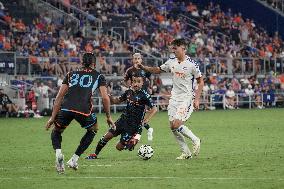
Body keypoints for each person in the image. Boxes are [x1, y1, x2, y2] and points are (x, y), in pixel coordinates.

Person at [45, 52, 114, 174]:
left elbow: (59, 96)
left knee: (56, 131)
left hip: (66, 108)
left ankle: (58, 153)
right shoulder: (99, 76)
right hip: (83, 109)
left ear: (82, 63)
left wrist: (52, 117)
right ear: (94, 63)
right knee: (93, 129)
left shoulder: (70, 74)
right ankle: (74, 159)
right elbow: (105, 98)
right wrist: (108, 116)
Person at [138, 38, 204, 160]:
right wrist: (144, 67)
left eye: (175, 48)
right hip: (174, 98)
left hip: (186, 98)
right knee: (173, 127)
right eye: (172, 48)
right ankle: (186, 152)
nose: (173, 50)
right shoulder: (171, 62)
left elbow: (201, 82)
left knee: (176, 124)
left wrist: (197, 99)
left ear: (183, 48)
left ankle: (196, 139)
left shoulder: (192, 64)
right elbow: (158, 70)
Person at [85, 73, 157, 159]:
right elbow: (116, 101)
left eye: (138, 82)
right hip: (122, 120)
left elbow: (154, 108)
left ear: (142, 83)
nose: (136, 84)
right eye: (134, 81)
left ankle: (133, 141)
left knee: (118, 147)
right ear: (131, 82)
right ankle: (95, 154)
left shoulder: (145, 95)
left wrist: (147, 119)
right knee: (106, 136)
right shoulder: (128, 92)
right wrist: (108, 95)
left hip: (133, 126)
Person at [124, 53, 154, 141]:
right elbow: (125, 80)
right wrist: (129, 87)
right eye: (135, 58)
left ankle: (136, 137)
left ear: (141, 60)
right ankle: (148, 129)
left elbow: (151, 78)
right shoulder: (129, 70)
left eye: (138, 58)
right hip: (133, 95)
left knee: (140, 115)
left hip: (143, 96)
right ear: (132, 60)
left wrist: (151, 87)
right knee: (135, 116)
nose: (137, 60)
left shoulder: (145, 69)